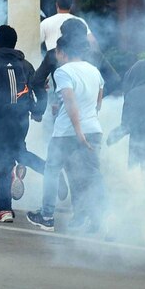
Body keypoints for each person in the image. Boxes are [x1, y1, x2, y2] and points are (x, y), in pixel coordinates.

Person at [27, 34, 105, 233]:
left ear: (61, 52)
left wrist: (78, 131)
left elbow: (70, 102)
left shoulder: (63, 71)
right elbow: (98, 100)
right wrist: (89, 120)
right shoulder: (94, 70)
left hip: (66, 133)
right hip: (94, 129)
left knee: (52, 172)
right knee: (91, 175)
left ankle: (46, 216)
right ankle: (98, 220)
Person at [0, 25, 37, 223]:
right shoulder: (25, 64)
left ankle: (5, 209)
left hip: (0, 118)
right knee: (19, 153)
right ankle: (50, 170)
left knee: (4, 160)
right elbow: (37, 88)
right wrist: (37, 111)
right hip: (22, 119)